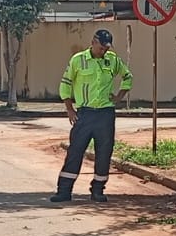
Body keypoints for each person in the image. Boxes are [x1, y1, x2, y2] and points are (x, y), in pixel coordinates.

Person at [52, 29, 133, 203]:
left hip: (105, 114)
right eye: (101, 47)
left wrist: (119, 97)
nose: (104, 51)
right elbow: (66, 84)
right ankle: (64, 191)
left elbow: (127, 77)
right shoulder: (78, 60)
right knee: (75, 151)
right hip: (85, 114)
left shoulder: (112, 60)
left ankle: (98, 190)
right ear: (93, 42)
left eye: (106, 48)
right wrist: (69, 109)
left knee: (104, 154)